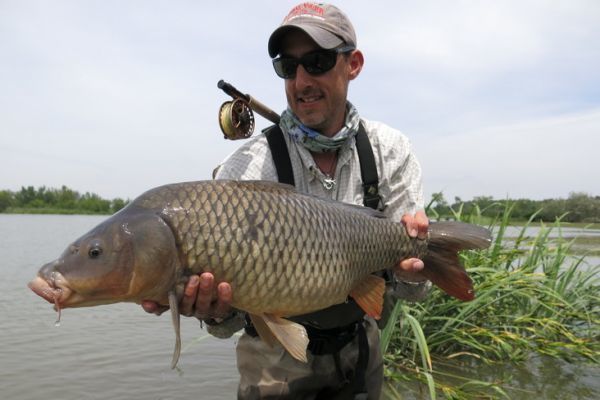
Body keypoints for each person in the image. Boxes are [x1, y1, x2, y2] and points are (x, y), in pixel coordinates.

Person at [143, 3, 429, 399]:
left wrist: (415, 269)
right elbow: (224, 327)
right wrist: (213, 309)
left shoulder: (390, 151)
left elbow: (411, 291)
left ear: (354, 64)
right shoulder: (246, 167)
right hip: (272, 361)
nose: (301, 80)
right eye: (287, 67)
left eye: (317, 61)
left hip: (361, 348)